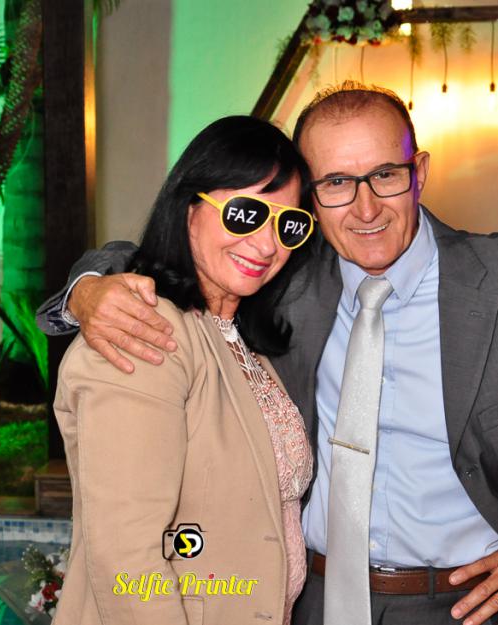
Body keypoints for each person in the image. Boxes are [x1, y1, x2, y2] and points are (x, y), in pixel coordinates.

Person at [37, 82, 498, 625]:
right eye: (336, 183)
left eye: (385, 175)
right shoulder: (285, 281)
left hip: (459, 604)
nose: (366, 207)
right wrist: (90, 287)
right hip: (308, 602)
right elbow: (161, 257)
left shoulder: (487, 282)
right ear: (315, 198)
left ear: (418, 172)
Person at [49, 115, 317, 625]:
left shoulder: (239, 335)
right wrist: (85, 287)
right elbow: (127, 559)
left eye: (289, 225)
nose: (267, 244)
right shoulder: (144, 332)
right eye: (245, 214)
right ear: (189, 208)